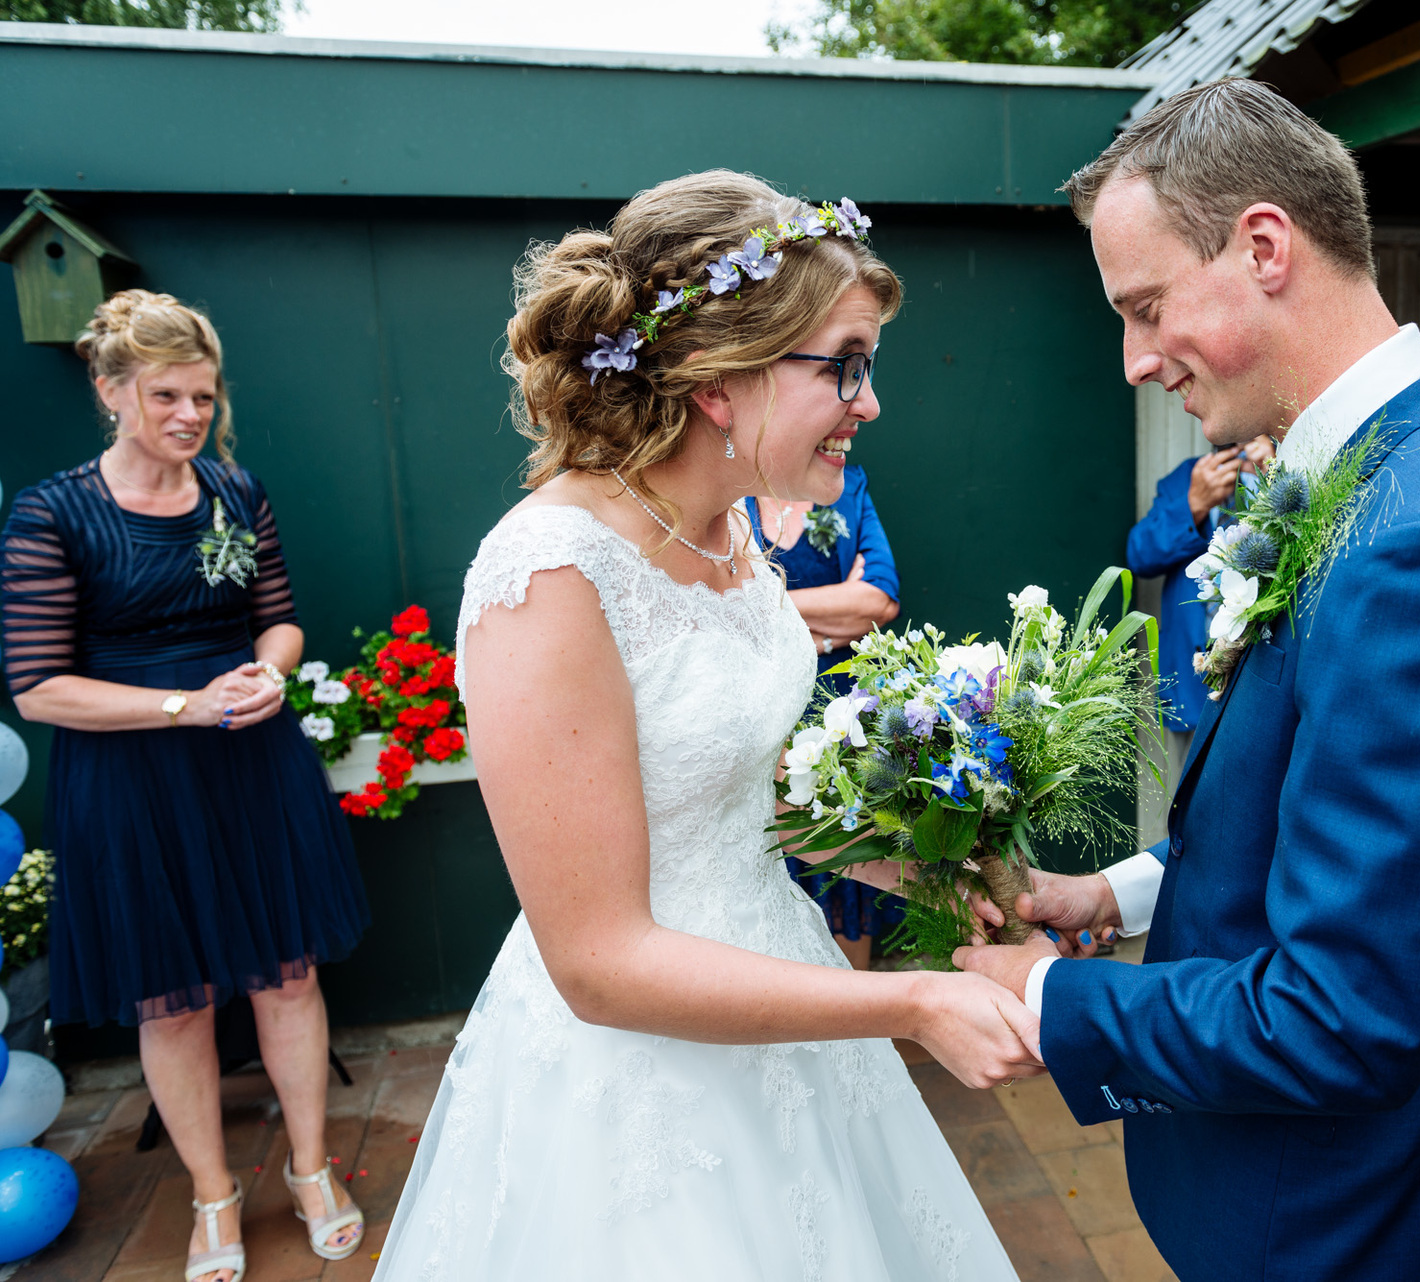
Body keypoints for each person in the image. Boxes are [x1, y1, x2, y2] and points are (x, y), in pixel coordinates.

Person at [957, 79, 1420, 1280]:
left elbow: (1343, 1013)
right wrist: (1122, 895)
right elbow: (1324, 806)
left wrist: (1053, 1000)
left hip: (1349, 1221)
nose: (1136, 360)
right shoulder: (1369, 477)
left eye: (1145, 308)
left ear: (1263, 246)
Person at [372, 171, 1032, 1280]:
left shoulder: (735, 538)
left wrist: (907, 875)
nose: (869, 404)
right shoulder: (548, 574)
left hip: (783, 989)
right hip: (639, 1083)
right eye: (847, 366)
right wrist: (912, 1001)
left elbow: (736, 795)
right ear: (723, 382)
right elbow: (597, 962)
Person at [1, 292, 370, 1282]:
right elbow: (39, 690)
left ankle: (308, 1167)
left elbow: (280, 616)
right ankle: (214, 1193)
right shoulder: (51, 511)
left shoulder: (236, 492)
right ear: (110, 389)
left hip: (250, 759)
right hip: (131, 777)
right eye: (165, 394)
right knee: (174, 1003)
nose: (188, 414)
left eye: (202, 395)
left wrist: (272, 671)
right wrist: (182, 708)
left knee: (288, 975)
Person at [746, 473, 902, 968]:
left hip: (837, 724)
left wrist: (766, 609)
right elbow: (713, 610)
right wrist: (833, 611)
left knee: (843, 863)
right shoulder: (730, 495)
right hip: (758, 720)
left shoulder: (848, 488)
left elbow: (879, 600)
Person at [1127, 436, 1273, 766]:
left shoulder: (1285, 465)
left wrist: (1274, 471)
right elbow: (1140, 554)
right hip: (1193, 677)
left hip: (1263, 670)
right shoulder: (1188, 476)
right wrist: (1193, 504)